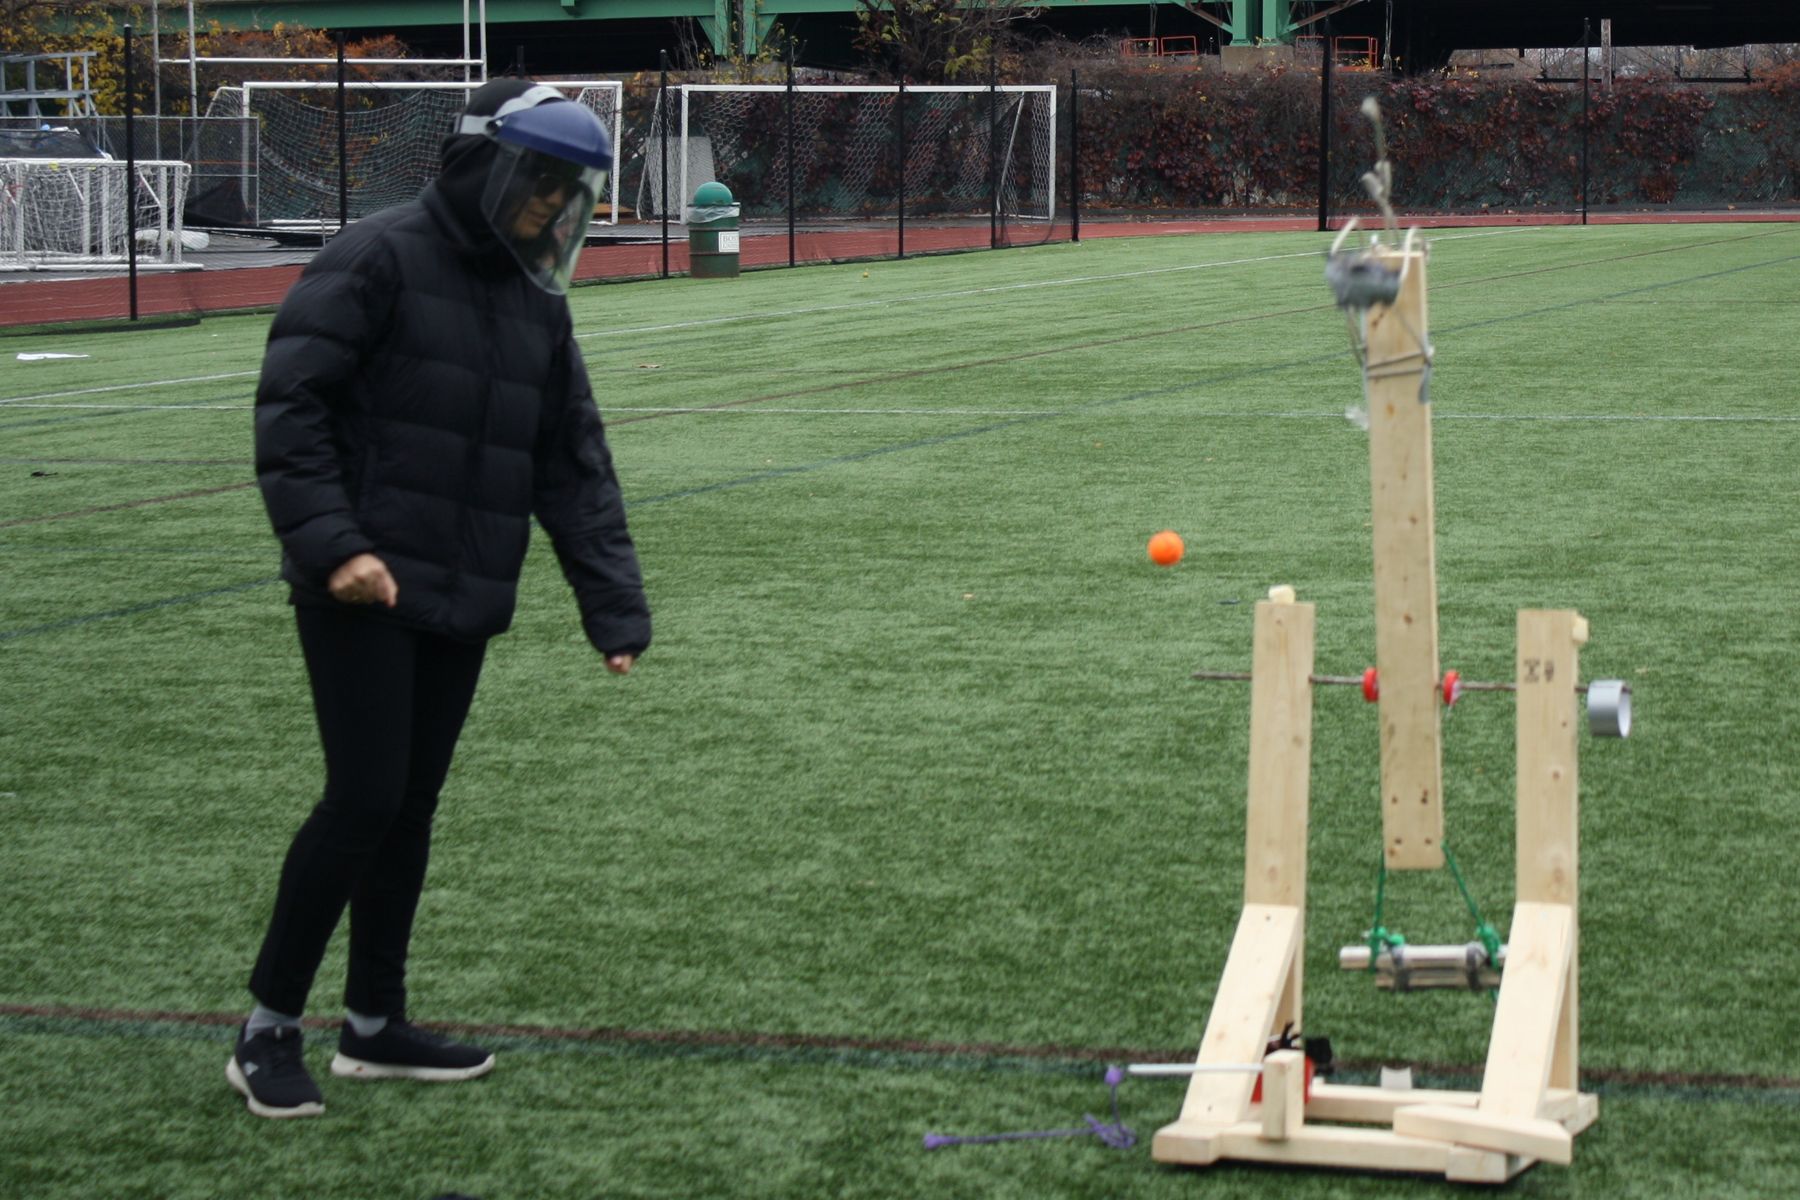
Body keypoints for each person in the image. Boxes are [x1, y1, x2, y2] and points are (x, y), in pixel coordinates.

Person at [229, 78, 651, 1120]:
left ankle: (374, 1024)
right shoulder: (376, 258)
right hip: (360, 587)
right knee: (364, 798)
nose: (555, 208)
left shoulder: (534, 303)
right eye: (543, 183)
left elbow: (572, 462)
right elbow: (294, 410)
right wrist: (334, 547)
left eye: (569, 192)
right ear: (487, 168)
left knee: (408, 808)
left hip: (461, 589)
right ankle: (267, 1027)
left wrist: (614, 607)